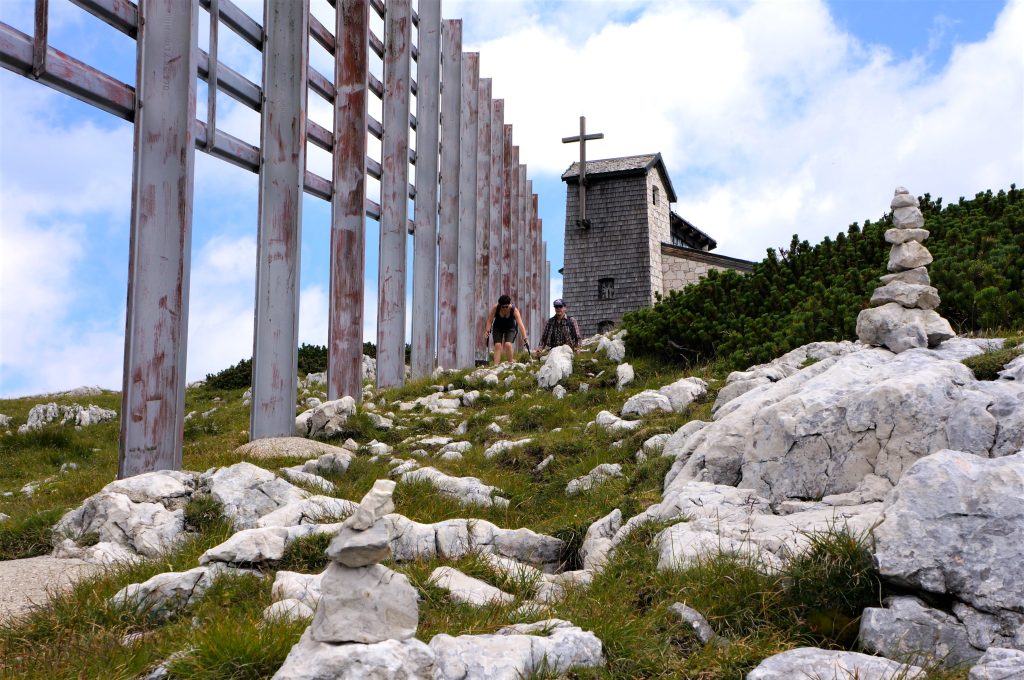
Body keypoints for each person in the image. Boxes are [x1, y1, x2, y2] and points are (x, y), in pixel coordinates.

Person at [483, 294, 529, 365]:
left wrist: (525, 337)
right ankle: (496, 365)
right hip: (498, 327)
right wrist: (487, 330)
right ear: (499, 305)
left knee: (508, 344)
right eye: (503, 307)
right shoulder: (495, 308)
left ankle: (510, 363)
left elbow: (520, 324)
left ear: (509, 304)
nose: (505, 308)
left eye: (506, 306)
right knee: (497, 345)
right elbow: (489, 320)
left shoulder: (514, 310)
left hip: (510, 328)